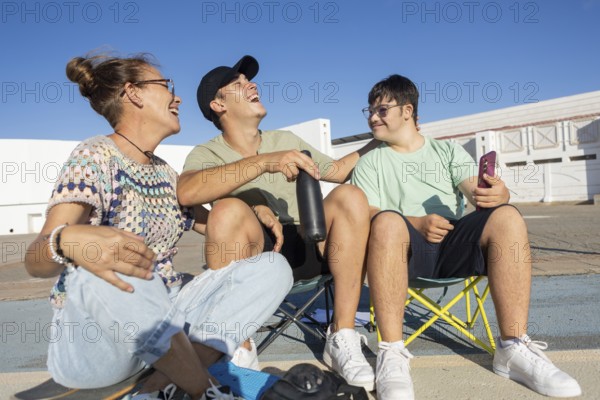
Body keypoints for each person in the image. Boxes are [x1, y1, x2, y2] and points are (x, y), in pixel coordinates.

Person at [24, 52, 293, 400]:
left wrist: (252, 210)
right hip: (97, 344)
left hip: (165, 329)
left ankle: (157, 387)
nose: (176, 96)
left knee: (271, 268)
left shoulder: (165, 174)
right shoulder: (94, 156)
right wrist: (69, 239)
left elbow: (216, 224)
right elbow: (36, 260)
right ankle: (204, 389)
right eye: (166, 86)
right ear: (134, 93)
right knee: (114, 260)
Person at [350, 74, 582, 399]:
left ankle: (513, 347)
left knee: (506, 216)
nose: (373, 117)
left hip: (452, 247)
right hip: (401, 252)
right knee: (387, 222)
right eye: (369, 111)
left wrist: (497, 194)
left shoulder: (447, 151)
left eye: (381, 109)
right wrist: (415, 222)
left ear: (407, 111)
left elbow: (474, 188)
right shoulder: (371, 162)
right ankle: (391, 352)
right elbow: (367, 216)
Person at [178, 55, 380, 391]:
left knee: (351, 196)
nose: (252, 85)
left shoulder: (286, 139)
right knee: (228, 209)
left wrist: (382, 137)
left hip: (310, 243)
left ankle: (342, 335)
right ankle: (237, 346)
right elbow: (186, 192)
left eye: (250, 81)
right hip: (254, 256)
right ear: (218, 104)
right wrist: (263, 166)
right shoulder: (207, 153)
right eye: (239, 85)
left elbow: (339, 172)